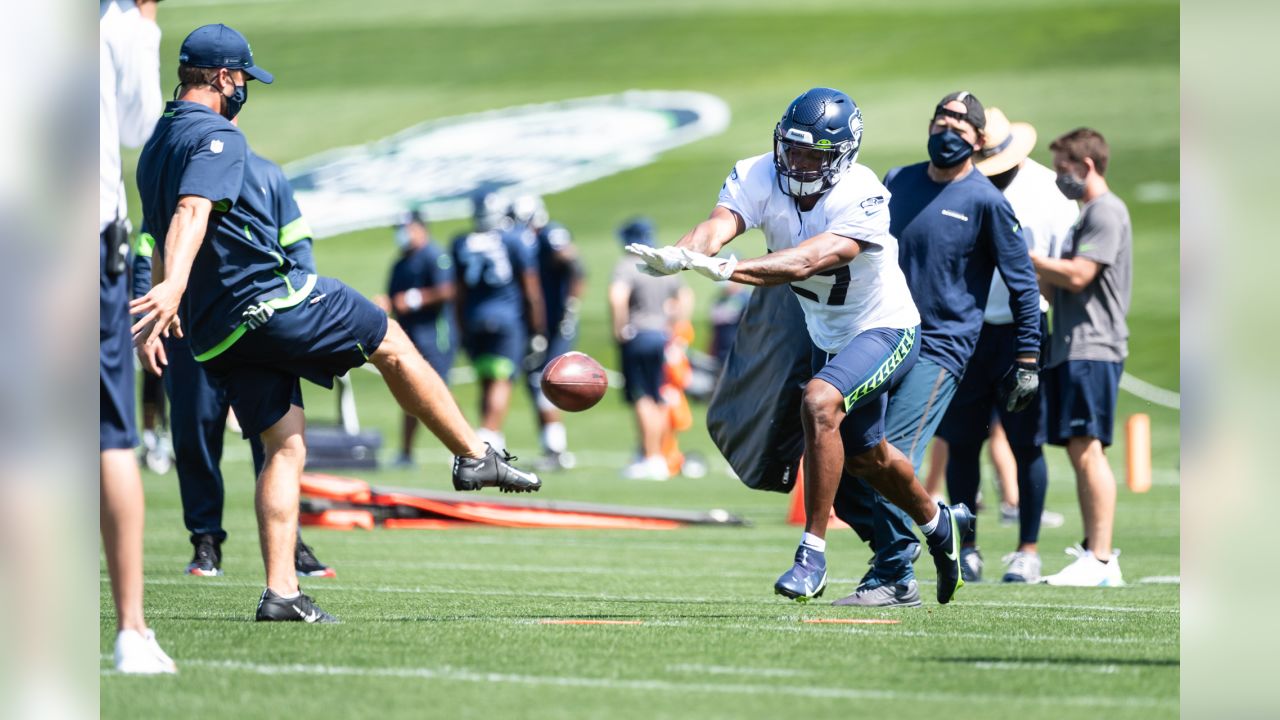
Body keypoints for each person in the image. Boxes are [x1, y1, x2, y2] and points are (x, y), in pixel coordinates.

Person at [132, 24, 541, 624]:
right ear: (222, 77)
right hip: (267, 303)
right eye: (243, 77)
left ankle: (282, 593)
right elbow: (192, 212)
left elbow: (161, 227)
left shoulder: (156, 143)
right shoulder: (219, 138)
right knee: (390, 338)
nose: (245, 87)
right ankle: (473, 453)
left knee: (285, 447)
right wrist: (169, 286)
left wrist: (164, 304)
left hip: (216, 332)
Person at [631, 88, 977, 605]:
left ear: (842, 156)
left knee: (819, 402)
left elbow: (807, 261)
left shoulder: (862, 195)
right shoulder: (756, 174)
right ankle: (938, 522)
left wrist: (731, 269)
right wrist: (681, 254)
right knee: (867, 458)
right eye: (793, 149)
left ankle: (811, 554)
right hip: (826, 333)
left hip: (884, 328)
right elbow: (718, 225)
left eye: (814, 154)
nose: (799, 161)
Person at [828, 91, 1043, 607]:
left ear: (977, 140)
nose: (947, 131)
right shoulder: (897, 180)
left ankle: (895, 577)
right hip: (879, 334)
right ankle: (935, 523)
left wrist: (1028, 360)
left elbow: (1024, 284)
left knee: (896, 453)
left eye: (959, 125)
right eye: (940, 120)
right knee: (850, 457)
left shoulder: (987, 201)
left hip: (941, 348)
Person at [132, 147, 335, 579]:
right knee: (194, 432)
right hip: (191, 330)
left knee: (279, 437)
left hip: (261, 328)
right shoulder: (179, 173)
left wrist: (302, 315)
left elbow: (298, 246)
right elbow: (148, 245)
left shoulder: (267, 173)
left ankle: (292, 542)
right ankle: (205, 542)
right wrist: (147, 322)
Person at [932, 107, 1079, 583]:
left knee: (1025, 443)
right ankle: (966, 546)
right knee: (961, 442)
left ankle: (1028, 548)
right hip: (964, 328)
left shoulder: (1047, 193)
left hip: (1023, 327)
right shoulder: (955, 181)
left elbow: (1061, 272)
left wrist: (1033, 348)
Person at [99, 0, 175, 674]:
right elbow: (141, 128)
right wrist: (145, 22)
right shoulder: (117, 22)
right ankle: (131, 631)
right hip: (83, 236)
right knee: (108, 435)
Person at [1031, 127, 1132, 587]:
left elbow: (1078, 276)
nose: (1059, 178)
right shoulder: (1083, 215)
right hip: (1073, 346)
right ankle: (1096, 554)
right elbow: (1055, 285)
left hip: (1093, 346)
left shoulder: (1106, 212)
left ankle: (1102, 558)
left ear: (1086, 166)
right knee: (1079, 450)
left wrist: (1025, 255)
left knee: (1089, 449)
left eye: (1063, 169)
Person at [451, 192, 546, 452]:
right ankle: (488, 435)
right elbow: (531, 290)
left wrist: (460, 328)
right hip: (506, 319)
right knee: (501, 380)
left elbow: (458, 294)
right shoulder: (514, 240)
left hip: (474, 319)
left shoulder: (461, 242)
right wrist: (538, 329)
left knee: (486, 379)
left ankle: (488, 434)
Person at [609, 218, 693, 482]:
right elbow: (685, 296)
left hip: (638, 334)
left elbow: (617, 296)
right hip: (661, 336)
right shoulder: (661, 264)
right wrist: (676, 325)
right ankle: (655, 454)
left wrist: (620, 327)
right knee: (656, 397)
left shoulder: (627, 265)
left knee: (641, 397)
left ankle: (650, 456)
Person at [509, 195, 584, 471]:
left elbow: (576, 266)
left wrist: (571, 306)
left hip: (556, 324)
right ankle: (552, 446)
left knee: (547, 379)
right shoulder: (526, 243)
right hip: (539, 323)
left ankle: (556, 449)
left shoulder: (551, 234)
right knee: (534, 381)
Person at [387, 210, 456, 467]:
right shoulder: (401, 263)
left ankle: (463, 448)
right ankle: (405, 453)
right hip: (408, 337)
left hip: (434, 336)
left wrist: (414, 299)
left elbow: (447, 290)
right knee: (409, 392)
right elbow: (394, 298)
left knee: (440, 391)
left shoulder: (434, 255)